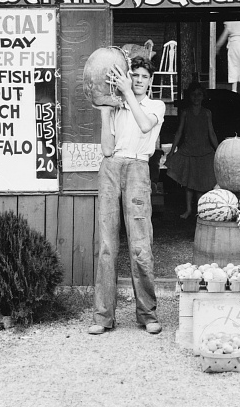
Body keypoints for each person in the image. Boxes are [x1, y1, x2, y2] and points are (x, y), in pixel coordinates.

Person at [88, 56, 165, 336]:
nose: (140, 80)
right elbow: (107, 150)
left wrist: (127, 94)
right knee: (107, 246)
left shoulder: (155, 106)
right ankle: (103, 316)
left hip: (137, 167)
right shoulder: (118, 106)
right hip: (111, 167)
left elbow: (145, 126)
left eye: (145, 76)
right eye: (135, 75)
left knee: (140, 245)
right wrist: (106, 110)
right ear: (128, 77)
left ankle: (147, 314)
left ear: (151, 81)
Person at [166, 82, 219, 219]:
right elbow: (179, 132)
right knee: (189, 183)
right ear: (189, 96)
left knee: (201, 183)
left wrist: (218, 150)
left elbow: (211, 133)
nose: (196, 97)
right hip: (188, 150)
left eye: (199, 95)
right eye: (193, 95)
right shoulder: (185, 113)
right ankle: (189, 209)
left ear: (203, 96)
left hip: (204, 151)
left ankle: (200, 210)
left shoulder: (207, 113)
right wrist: (172, 150)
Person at [215, 20, 240, 95]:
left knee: (235, 69)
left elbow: (225, 33)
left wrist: (217, 46)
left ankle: (235, 91)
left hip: (235, 44)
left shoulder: (231, 21)